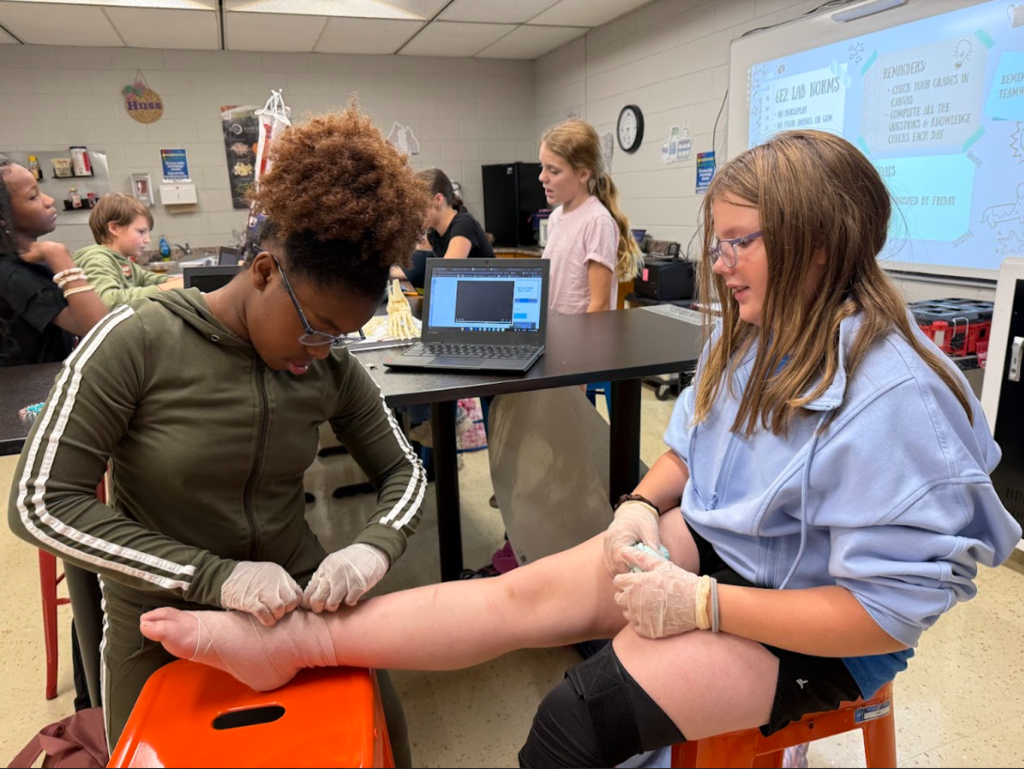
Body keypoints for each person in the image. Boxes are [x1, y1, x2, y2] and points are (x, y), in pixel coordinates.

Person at [135, 130, 1021, 767]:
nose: (718, 264)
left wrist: (704, 605)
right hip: (732, 554)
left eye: (738, 243)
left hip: (819, 625)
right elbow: (693, 451)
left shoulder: (897, 395)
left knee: (572, 721)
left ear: (817, 246)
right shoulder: (754, 328)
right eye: (720, 244)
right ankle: (297, 646)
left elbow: (878, 612)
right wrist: (643, 500)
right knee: (522, 595)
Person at [8, 106, 430, 756]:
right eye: (316, 326)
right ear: (264, 272)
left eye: (341, 336)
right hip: (163, 615)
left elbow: (404, 471)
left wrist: (371, 546)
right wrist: (212, 576)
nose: (323, 351)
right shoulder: (135, 340)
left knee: (376, 743)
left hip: (296, 601)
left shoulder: (332, 363)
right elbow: (39, 502)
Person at [0, 155, 107, 367]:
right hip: (29, 393)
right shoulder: (12, 273)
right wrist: (59, 256)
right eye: (33, 197)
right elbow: (98, 327)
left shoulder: (26, 263)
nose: (49, 200)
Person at [539, 119, 643, 315]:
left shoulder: (596, 222)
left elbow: (600, 305)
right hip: (557, 336)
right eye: (542, 167)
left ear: (583, 174)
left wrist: (579, 346)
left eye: (553, 170)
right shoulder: (555, 218)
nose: (542, 177)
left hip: (581, 342)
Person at [73, 192, 183, 311]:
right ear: (115, 228)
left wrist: (175, 281)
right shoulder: (97, 259)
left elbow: (146, 278)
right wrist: (164, 288)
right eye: (141, 232)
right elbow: (107, 301)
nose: (147, 240)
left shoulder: (122, 260)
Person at [420, 168, 494, 260]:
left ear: (438, 200)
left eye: (418, 203)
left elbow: (446, 271)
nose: (414, 211)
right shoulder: (433, 234)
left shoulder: (464, 224)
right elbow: (416, 267)